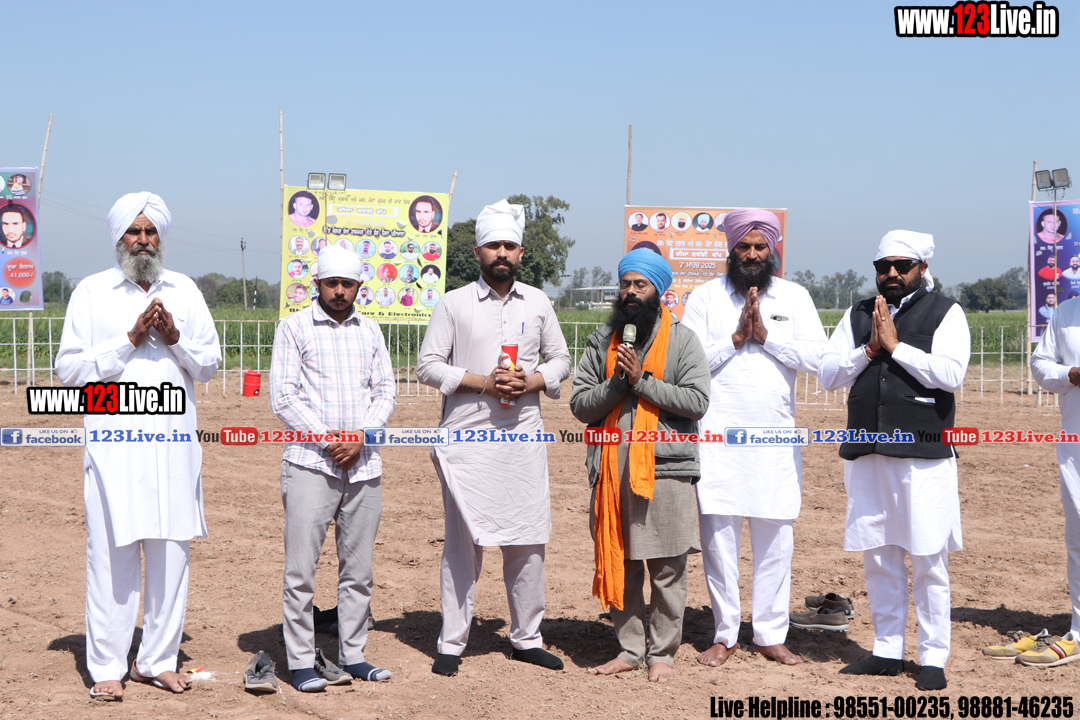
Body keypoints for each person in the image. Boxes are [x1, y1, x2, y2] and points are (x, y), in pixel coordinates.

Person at [56, 192, 221, 700]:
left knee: (172, 555)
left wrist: (175, 338)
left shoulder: (185, 290)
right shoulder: (92, 292)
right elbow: (68, 372)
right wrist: (128, 340)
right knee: (112, 558)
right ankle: (107, 665)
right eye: (134, 231)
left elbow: (210, 366)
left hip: (172, 446)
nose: (143, 240)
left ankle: (157, 661)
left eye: (151, 231)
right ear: (119, 237)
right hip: (115, 448)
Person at [417, 199, 571, 677]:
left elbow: (561, 360)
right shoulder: (454, 302)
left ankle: (527, 638)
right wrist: (482, 382)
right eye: (492, 245)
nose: (501, 252)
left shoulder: (539, 302)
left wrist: (533, 381)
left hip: (521, 439)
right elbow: (427, 365)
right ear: (478, 252)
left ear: (521, 252)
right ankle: (452, 641)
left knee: (528, 537)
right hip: (466, 440)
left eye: (509, 245)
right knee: (462, 543)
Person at [817, 230, 970, 692]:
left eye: (901, 266)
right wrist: (870, 349)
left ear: (922, 268)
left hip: (923, 455)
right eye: (883, 266)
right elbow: (827, 375)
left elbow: (950, 374)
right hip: (867, 452)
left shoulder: (946, 311)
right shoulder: (858, 313)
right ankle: (886, 650)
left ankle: (933, 657)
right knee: (879, 555)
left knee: (927, 559)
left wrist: (897, 346)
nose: (891, 274)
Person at [681, 209, 827, 668]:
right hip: (717, 436)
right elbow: (686, 362)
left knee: (776, 537)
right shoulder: (704, 298)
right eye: (743, 246)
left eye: (760, 246)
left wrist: (766, 338)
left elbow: (819, 358)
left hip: (774, 437)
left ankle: (769, 633)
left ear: (773, 249)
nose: (751, 254)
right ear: (730, 248)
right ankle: (724, 633)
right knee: (718, 539)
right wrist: (735, 337)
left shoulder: (795, 297)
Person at [569, 249, 709, 681]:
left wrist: (642, 381)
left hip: (666, 471)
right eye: (625, 284)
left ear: (658, 290)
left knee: (667, 568)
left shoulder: (683, 340)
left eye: (640, 285)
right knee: (623, 564)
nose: (630, 292)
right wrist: (618, 383)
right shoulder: (602, 341)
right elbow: (580, 404)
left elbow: (697, 401)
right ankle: (630, 649)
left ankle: (662, 653)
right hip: (611, 473)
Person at [270, 245, 396, 692]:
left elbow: (386, 391)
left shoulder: (371, 331)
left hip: (363, 465)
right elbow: (283, 396)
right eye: (332, 283)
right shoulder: (294, 327)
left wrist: (361, 435)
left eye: (347, 284)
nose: (339, 291)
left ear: (359, 286)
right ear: (317, 284)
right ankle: (302, 662)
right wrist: (330, 440)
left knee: (358, 572)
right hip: (310, 463)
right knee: (301, 572)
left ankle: (353, 654)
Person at [1031, 294, 1080, 650]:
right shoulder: (1066, 312)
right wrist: (1069, 374)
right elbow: (1040, 364)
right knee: (1077, 535)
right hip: (1075, 443)